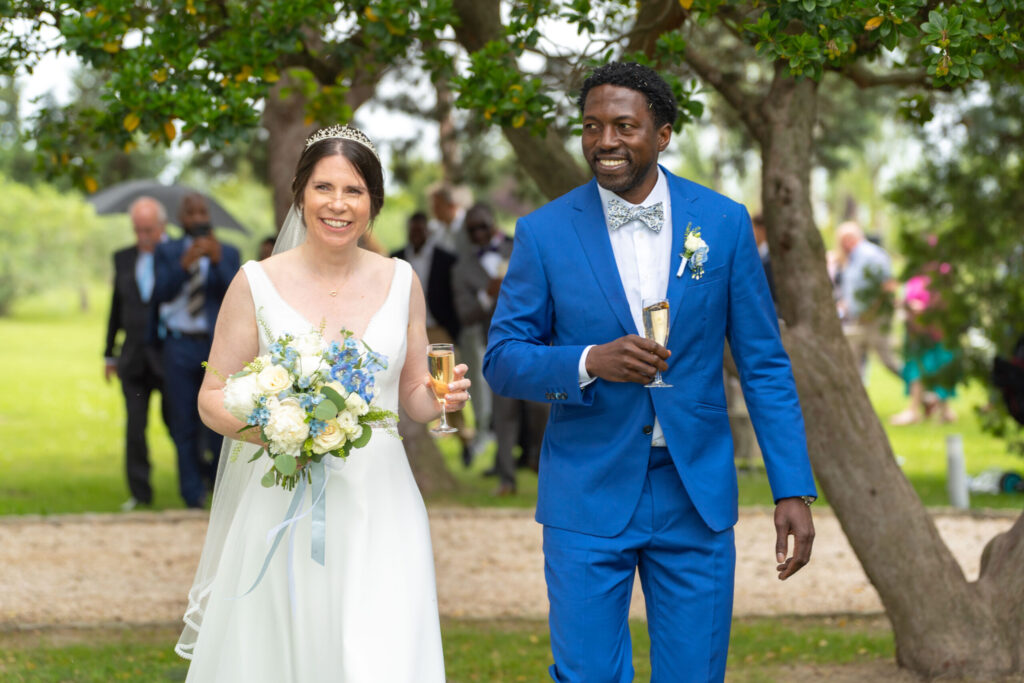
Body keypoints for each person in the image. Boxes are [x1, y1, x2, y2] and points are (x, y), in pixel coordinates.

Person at [483, 62, 816, 682]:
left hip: (695, 492)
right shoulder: (543, 232)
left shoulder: (723, 223)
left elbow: (764, 365)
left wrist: (791, 487)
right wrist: (589, 361)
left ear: (662, 134)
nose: (604, 141)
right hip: (586, 490)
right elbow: (502, 359)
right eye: (591, 126)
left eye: (623, 126)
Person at [175, 124, 470, 681]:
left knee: (380, 654)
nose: (338, 204)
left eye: (354, 190)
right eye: (324, 188)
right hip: (282, 504)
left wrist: (441, 398)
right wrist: (279, 429)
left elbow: (412, 396)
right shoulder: (255, 283)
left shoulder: (402, 280)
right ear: (300, 193)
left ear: (373, 201)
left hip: (382, 505)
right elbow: (212, 398)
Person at [151, 194, 241, 508]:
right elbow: (159, 294)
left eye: (202, 211)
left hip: (217, 346)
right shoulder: (167, 251)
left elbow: (237, 297)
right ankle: (191, 493)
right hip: (179, 345)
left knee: (220, 418)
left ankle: (218, 486)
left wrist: (217, 262)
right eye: (191, 212)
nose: (198, 217)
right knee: (183, 421)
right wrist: (183, 265)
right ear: (181, 218)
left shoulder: (228, 252)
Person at [453, 202, 548, 495]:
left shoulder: (522, 245)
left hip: (535, 341)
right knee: (503, 415)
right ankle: (507, 479)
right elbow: (464, 314)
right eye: (471, 230)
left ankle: (538, 462)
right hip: (497, 348)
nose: (478, 234)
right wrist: (486, 295)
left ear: (493, 222)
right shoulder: (462, 268)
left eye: (482, 227)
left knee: (541, 409)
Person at [391, 211, 475, 464]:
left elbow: (456, 296)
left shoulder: (445, 258)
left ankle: (465, 440)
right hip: (404, 330)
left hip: (439, 332)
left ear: (427, 231)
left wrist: (453, 332)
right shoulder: (396, 259)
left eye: (421, 229)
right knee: (411, 384)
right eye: (413, 230)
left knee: (446, 386)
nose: (416, 234)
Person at [104, 197, 169, 511]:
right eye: (137, 230)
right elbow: (116, 307)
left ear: (162, 227)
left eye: (148, 230)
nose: (143, 236)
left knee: (179, 423)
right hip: (132, 359)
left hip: (167, 356)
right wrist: (109, 354)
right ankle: (140, 493)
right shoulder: (123, 258)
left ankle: (197, 486)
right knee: (134, 429)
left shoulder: (176, 255)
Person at [890, 265, 959, 425]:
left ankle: (942, 410)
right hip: (917, 332)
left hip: (937, 332)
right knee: (917, 370)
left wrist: (924, 309)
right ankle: (917, 409)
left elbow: (945, 301)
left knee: (941, 367)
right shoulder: (915, 272)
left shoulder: (943, 271)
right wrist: (907, 305)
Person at [836, 220, 902, 382]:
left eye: (843, 241)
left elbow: (888, 285)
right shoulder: (852, 259)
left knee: (889, 361)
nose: (842, 245)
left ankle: (924, 390)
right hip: (858, 319)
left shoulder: (871, 255)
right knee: (852, 363)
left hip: (874, 319)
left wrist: (873, 311)